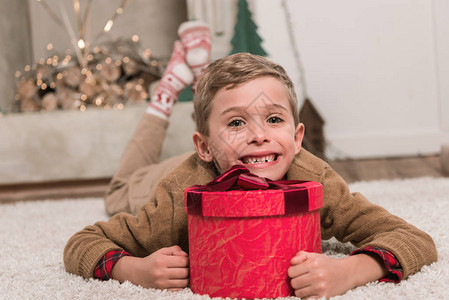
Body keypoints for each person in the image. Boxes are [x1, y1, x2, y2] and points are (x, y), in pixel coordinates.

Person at [64, 21, 438, 299]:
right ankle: (165, 95)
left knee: (231, 132)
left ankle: (208, 94)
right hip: (162, 178)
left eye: (274, 119)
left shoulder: (312, 177)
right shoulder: (179, 195)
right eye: (239, 121)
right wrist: (136, 270)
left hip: (227, 154)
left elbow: (414, 240)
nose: (260, 134)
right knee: (120, 187)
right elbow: (82, 243)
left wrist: (351, 271)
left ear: (296, 138)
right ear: (204, 147)